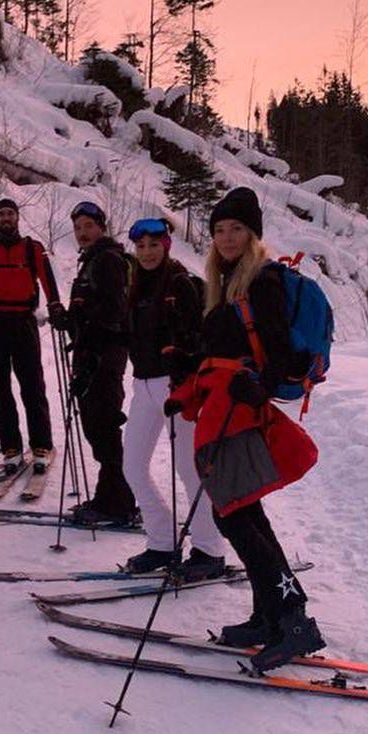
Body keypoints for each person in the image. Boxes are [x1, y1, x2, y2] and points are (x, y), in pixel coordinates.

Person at [166, 187, 324, 672]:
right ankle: (268, 615)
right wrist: (189, 375)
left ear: (253, 234)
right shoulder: (226, 280)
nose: (227, 237)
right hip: (221, 406)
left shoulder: (263, 280)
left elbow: (279, 350)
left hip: (239, 409)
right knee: (244, 510)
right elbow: (223, 349)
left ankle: (293, 618)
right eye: (219, 230)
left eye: (236, 229)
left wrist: (263, 384)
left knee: (232, 513)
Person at [119, 217, 227, 580]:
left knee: (189, 470)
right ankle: (162, 542)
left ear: (166, 246)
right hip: (143, 385)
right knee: (132, 466)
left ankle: (209, 551)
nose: (147, 252)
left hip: (176, 386)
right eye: (140, 246)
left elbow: (200, 336)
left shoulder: (181, 283)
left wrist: (184, 363)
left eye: (154, 245)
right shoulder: (135, 286)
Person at [49, 202, 137, 525]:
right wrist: (68, 320)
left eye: (88, 226)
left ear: (101, 226)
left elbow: (114, 312)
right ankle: (112, 498)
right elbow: (91, 311)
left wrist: (81, 323)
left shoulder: (109, 261)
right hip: (92, 354)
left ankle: (117, 504)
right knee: (98, 429)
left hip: (103, 357)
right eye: (77, 228)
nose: (82, 233)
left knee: (103, 427)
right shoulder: (93, 261)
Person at [0, 198, 59, 473]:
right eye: (1, 214)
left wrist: (55, 307)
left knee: (33, 385)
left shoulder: (33, 249)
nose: (6, 218)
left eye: (10, 214)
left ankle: (41, 445)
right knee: (0, 389)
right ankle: (11, 448)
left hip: (24, 322)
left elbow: (47, 280)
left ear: (17, 217)